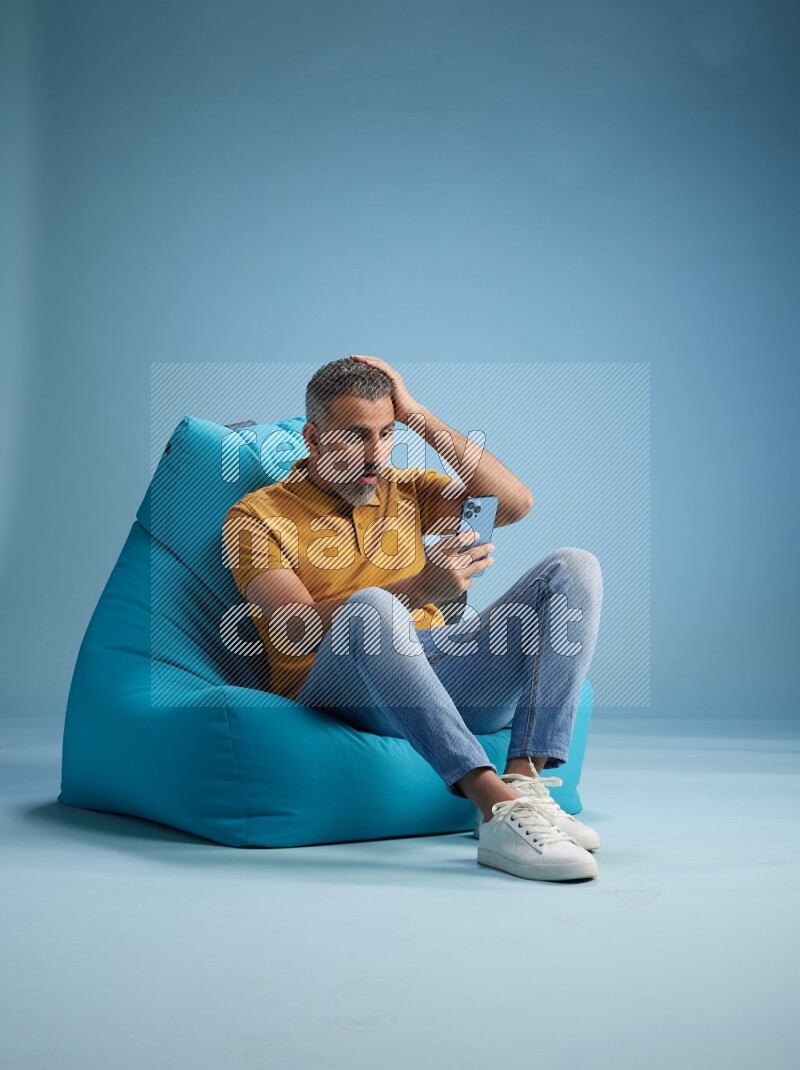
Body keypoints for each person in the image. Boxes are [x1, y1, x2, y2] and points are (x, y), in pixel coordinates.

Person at [222, 355, 604, 882]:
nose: (375, 454)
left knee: (574, 567)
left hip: (434, 669)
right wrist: (423, 587)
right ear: (313, 439)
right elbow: (294, 627)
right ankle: (494, 807)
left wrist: (417, 414)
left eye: (386, 434)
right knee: (372, 607)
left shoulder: (406, 490)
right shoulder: (255, 516)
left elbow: (513, 503)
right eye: (355, 437)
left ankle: (525, 785)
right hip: (338, 689)